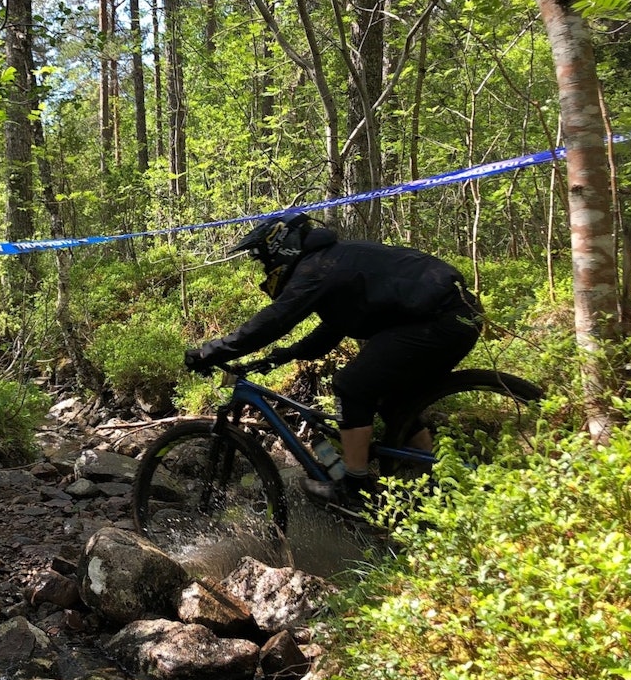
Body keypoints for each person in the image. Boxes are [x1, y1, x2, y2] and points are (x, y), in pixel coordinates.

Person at [183, 210, 483, 507]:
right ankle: (435, 482)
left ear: (279, 248)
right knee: (392, 402)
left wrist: (210, 351)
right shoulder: (333, 262)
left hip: (441, 318)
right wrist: (285, 355)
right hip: (453, 316)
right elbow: (332, 329)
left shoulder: (317, 267)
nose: (265, 269)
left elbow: (275, 320)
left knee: (350, 386)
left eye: (263, 260)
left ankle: (352, 488)